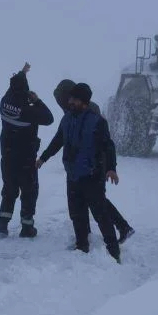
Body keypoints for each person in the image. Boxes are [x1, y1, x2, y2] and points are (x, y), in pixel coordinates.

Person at [37, 83, 122, 262]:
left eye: (74, 99)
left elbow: (108, 146)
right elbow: (57, 141)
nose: (70, 102)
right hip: (73, 175)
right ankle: (82, 245)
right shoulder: (67, 119)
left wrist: (111, 168)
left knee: (101, 215)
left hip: (92, 176)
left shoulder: (97, 122)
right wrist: (43, 158)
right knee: (76, 214)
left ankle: (114, 252)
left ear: (84, 102)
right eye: (70, 98)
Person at [52, 79, 134, 243]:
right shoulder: (74, 109)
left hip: (94, 164)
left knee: (97, 201)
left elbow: (102, 141)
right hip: (83, 165)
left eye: (63, 99)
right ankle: (89, 234)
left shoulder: (89, 110)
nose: (64, 103)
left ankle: (121, 228)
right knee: (93, 200)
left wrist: (108, 166)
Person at [0, 62, 54, 238]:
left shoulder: (4, 102)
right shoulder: (29, 111)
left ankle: (2, 226)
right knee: (29, 192)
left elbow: (13, 88)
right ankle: (27, 227)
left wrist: (23, 72)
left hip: (7, 156)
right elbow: (49, 118)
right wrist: (37, 101)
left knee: (9, 189)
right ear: (25, 91)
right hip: (26, 159)